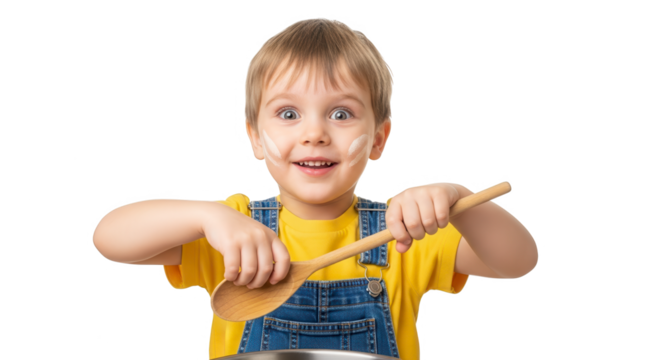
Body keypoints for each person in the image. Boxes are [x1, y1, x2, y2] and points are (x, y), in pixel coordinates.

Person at [92, 17, 538, 360]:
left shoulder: (405, 232)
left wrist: (457, 200)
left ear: (379, 138)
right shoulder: (232, 230)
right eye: (288, 114)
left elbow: (518, 262)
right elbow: (110, 239)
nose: (315, 134)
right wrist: (207, 216)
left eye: (340, 114)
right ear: (254, 138)